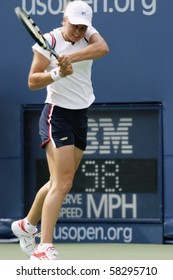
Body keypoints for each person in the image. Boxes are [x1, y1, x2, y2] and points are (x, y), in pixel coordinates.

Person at [11, 0, 109, 260]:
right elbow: (33, 81)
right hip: (58, 114)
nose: (78, 32)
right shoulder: (50, 41)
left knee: (59, 181)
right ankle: (44, 247)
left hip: (80, 114)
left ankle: (26, 225)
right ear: (64, 18)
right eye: (74, 25)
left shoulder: (88, 35)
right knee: (63, 183)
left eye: (82, 27)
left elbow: (103, 48)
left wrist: (69, 59)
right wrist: (56, 74)